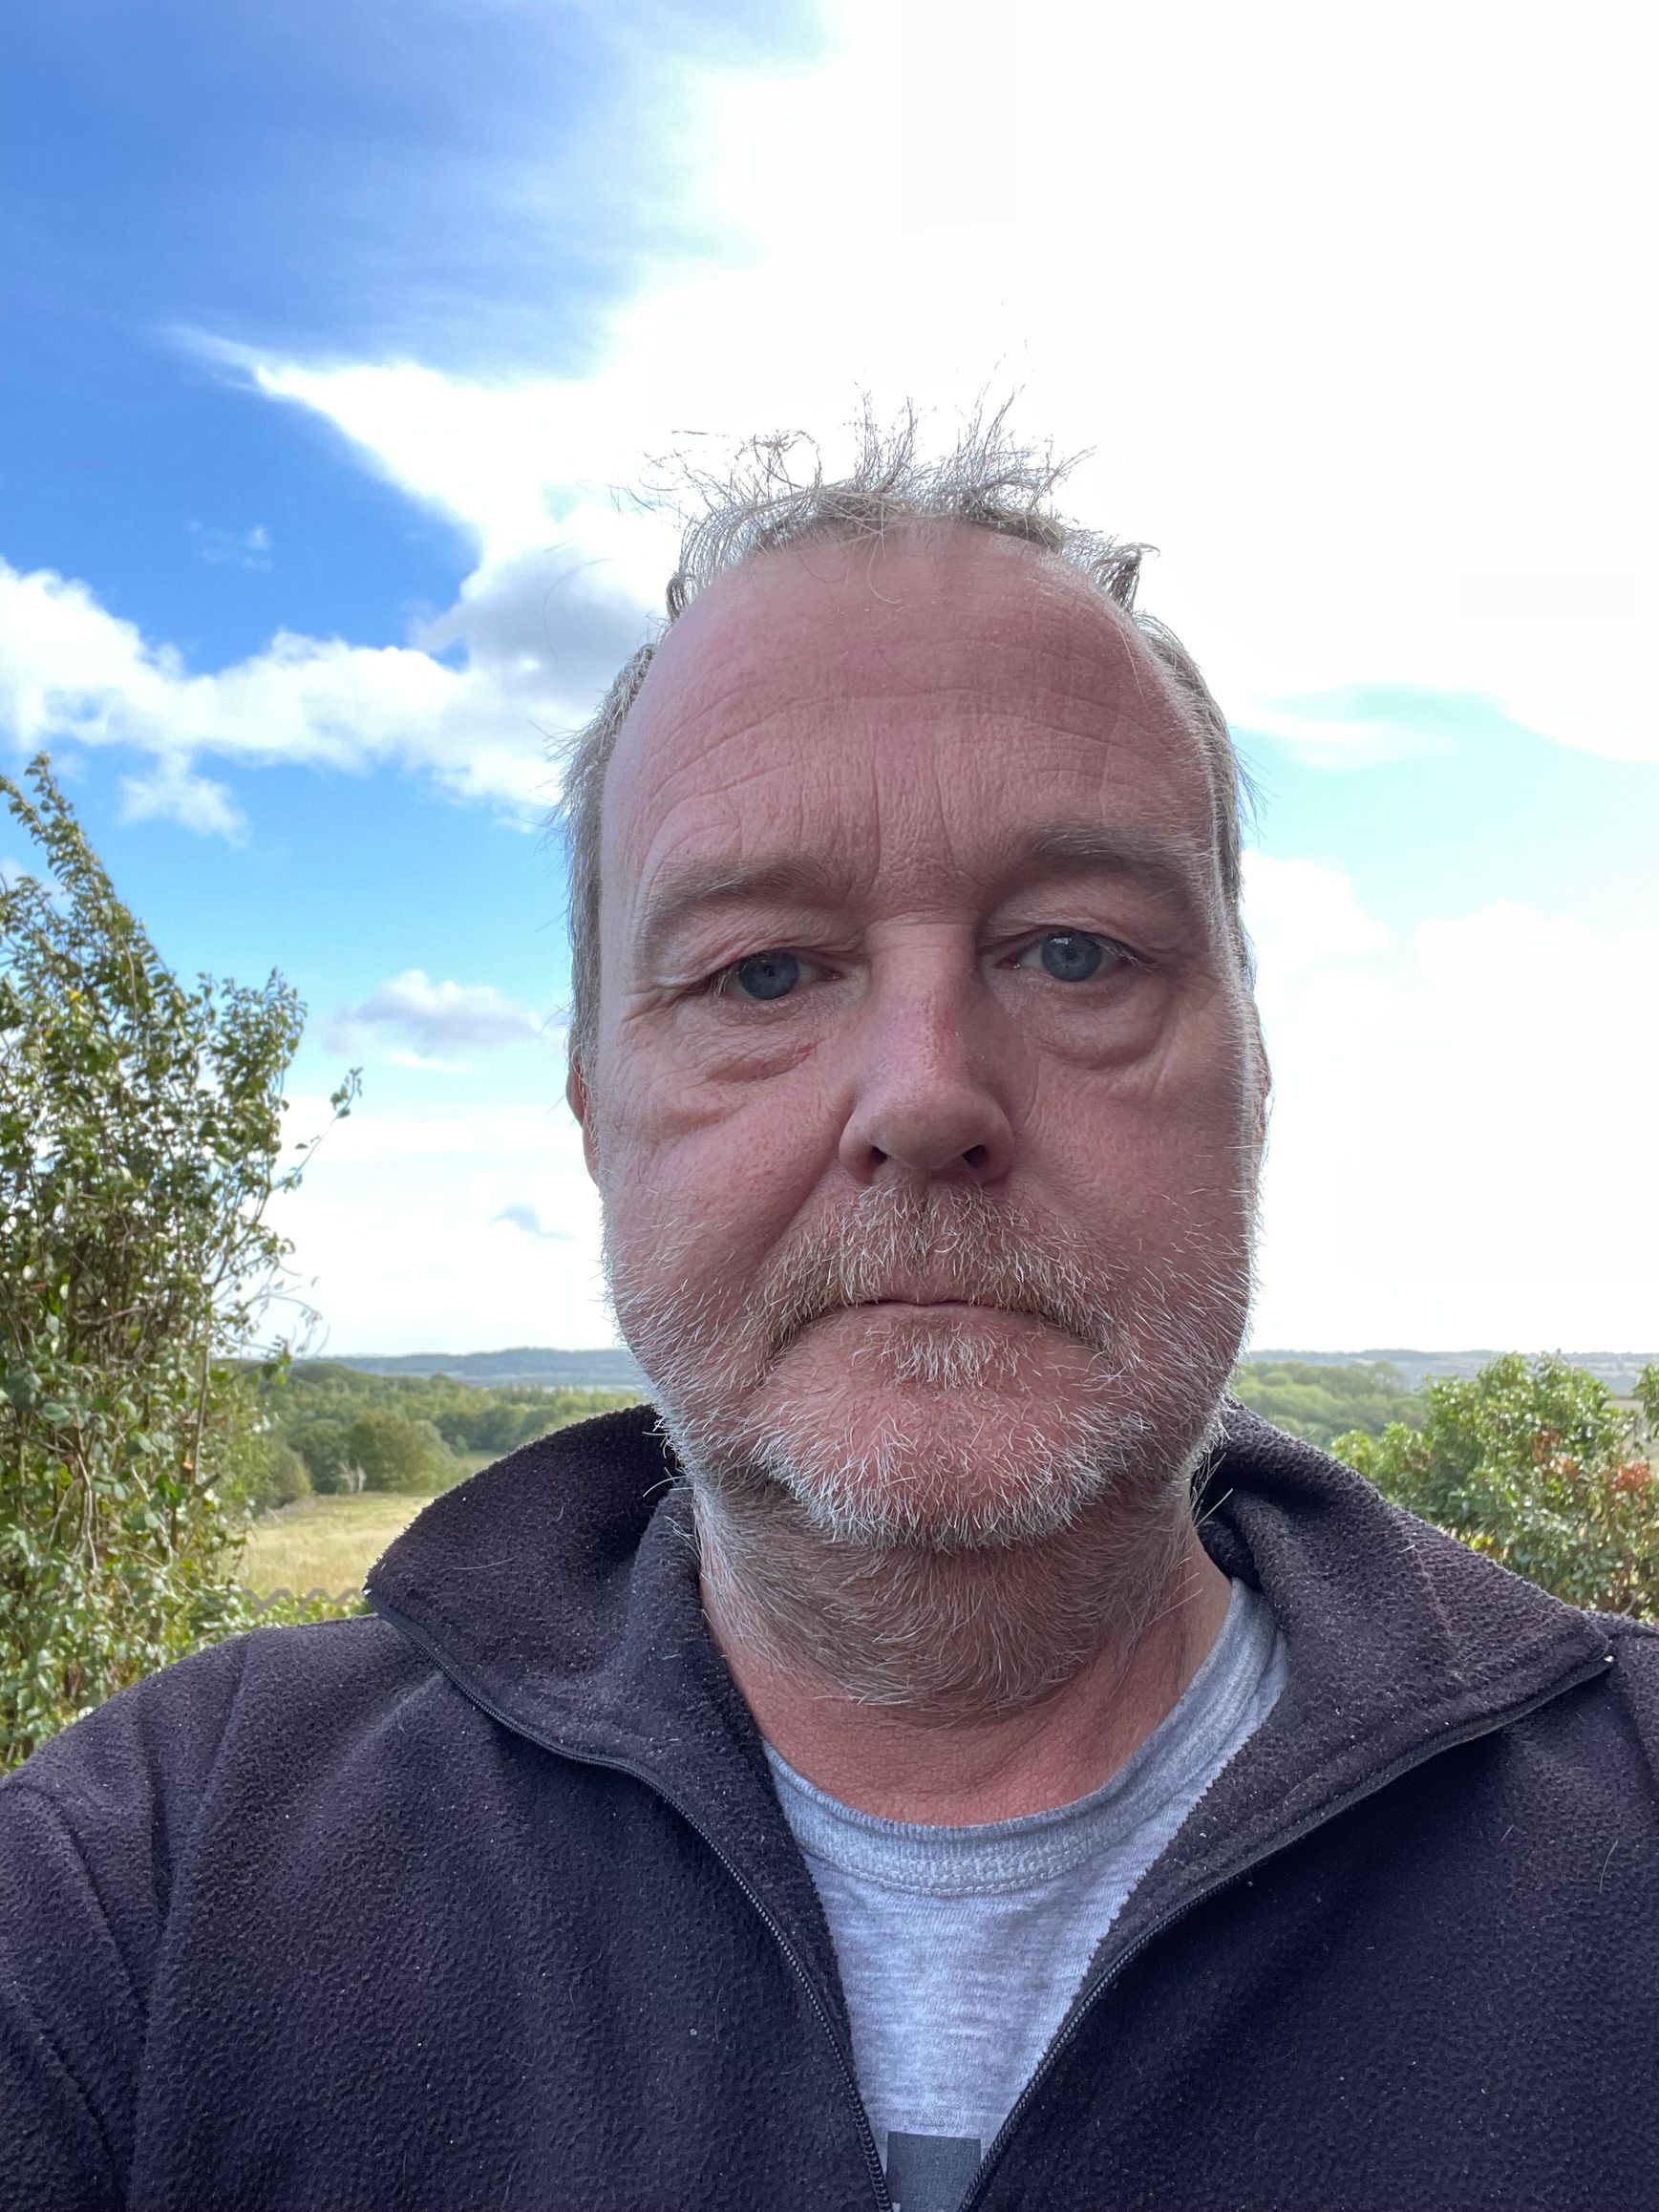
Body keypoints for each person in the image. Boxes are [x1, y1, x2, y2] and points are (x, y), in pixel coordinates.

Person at [3, 415, 1657, 2212]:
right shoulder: (157, 1886)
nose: (924, 1093)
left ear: (1252, 1083)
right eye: (764, 971)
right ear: (592, 1110)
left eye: (1077, 950)